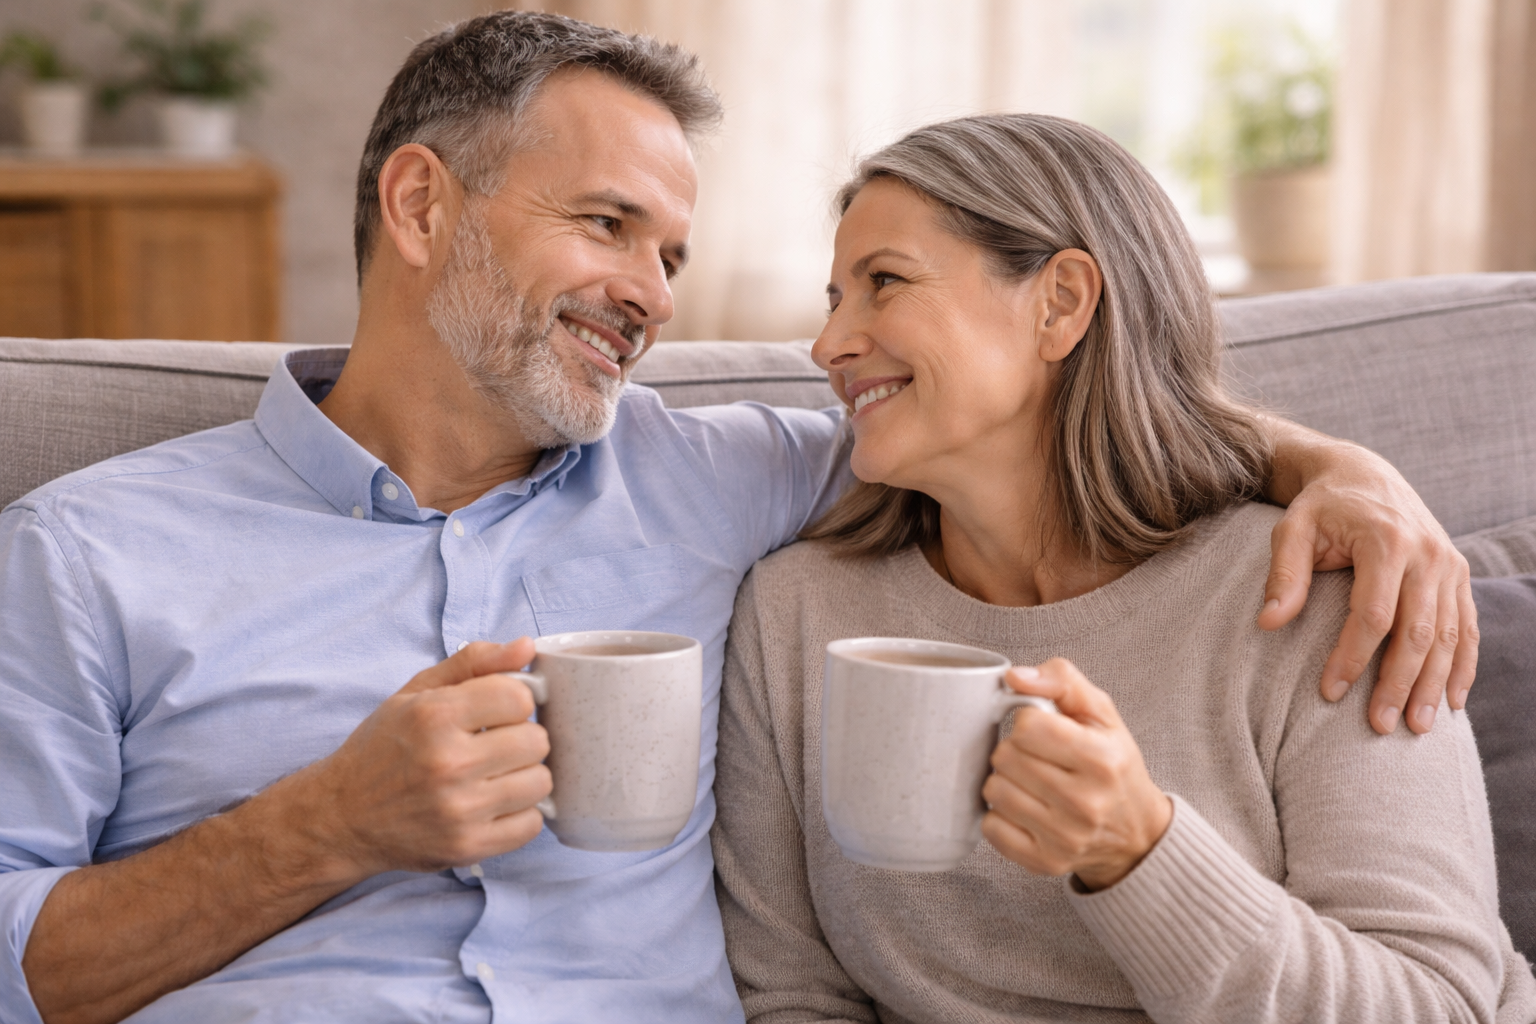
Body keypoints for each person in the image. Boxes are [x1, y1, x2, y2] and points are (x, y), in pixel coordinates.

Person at [0, 12, 1478, 1024]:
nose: (652, 293)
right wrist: (326, 826)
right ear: (418, 204)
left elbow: (1043, 440)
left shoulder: (742, 485)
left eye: (674, 250)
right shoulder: (88, 555)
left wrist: (1340, 469)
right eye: (604, 225)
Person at [712, 113, 1536, 1023]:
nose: (829, 346)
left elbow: (1436, 1006)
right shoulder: (794, 614)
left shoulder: (1317, 590)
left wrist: (1141, 852)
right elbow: (792, 995)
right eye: (835, 299)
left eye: (885, 284)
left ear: (1061, 302)